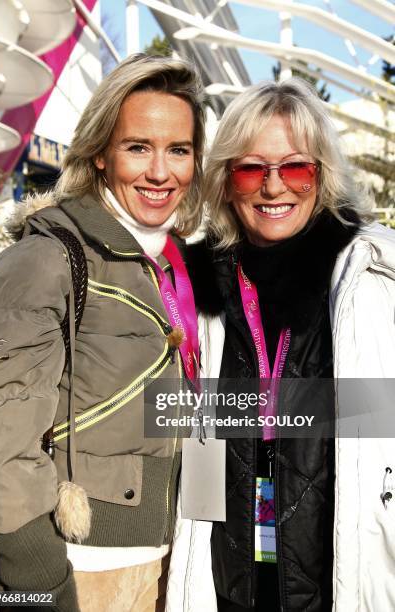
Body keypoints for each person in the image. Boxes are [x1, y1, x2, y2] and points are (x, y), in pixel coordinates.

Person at [167, 78, 395, 611]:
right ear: (226, 181)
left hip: (342, 576)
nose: (274, 188)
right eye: (251, 169)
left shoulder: (372, 282)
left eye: (295, 167)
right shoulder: (192, 290)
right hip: (226, 578)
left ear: (322, 176)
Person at [0, 53, 205, 611]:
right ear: (101, 153)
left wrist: (348, 411)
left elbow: (158, 414)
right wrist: (41, 582)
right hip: (75, 572)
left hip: (153, 567)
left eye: (178, 150)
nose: (161, 172)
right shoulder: (48, 259)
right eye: (138, 147)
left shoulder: (162, 269)